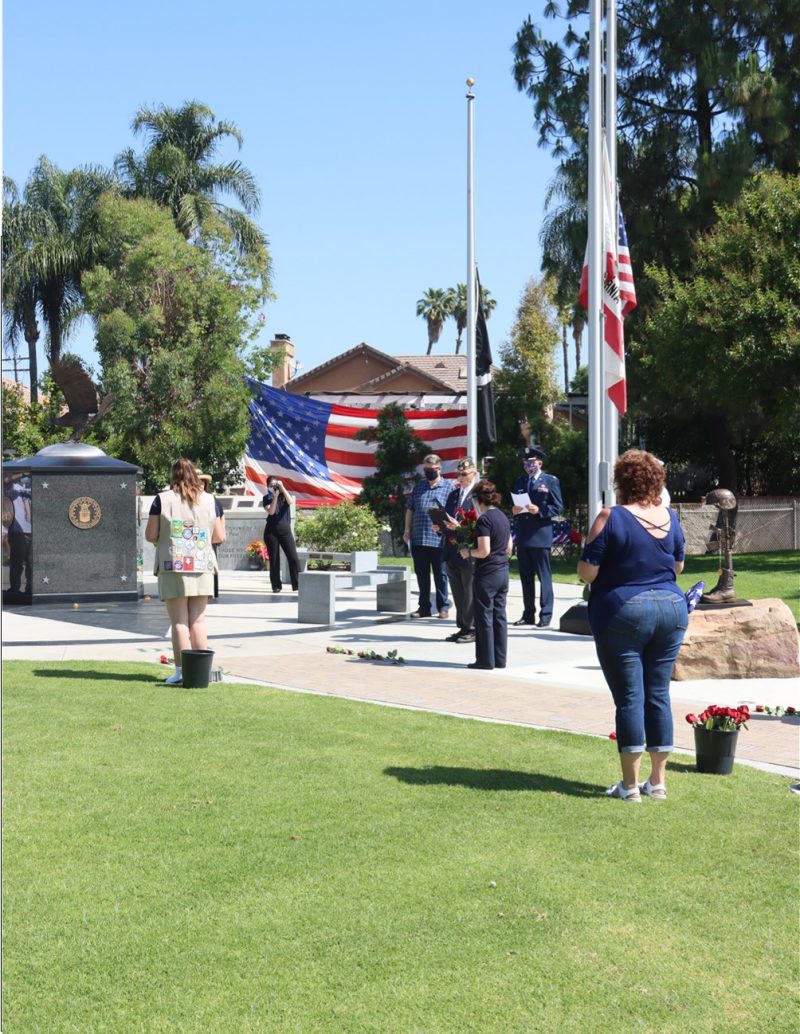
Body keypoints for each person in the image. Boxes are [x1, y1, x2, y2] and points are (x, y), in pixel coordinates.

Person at [577, 449, 689, 803]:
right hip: (672, 608)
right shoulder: (669, 516)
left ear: (621, 481)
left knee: (630, 698)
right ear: (657, 481)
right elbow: (678, 566)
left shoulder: (610, 516)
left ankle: (629, 786)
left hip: (624, 609)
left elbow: (586, 572)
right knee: (658, 694)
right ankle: (657, 782)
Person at [146, 459, 225, 685]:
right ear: (195, 475)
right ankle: (203, 671)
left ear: (173, 476)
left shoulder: (162, 499)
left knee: (179, 621)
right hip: (202, 564)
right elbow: (219, 537)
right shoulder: (211, 500)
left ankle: (181, 671)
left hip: (174, 565)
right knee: (198, 620)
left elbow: (151, 535)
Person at [458, 480, 512, 670]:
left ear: (477, 500)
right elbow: (509, 547)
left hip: (487, 573)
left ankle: (485, 660)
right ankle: (499, 659)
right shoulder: (503, 517)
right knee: (499, 616)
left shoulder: (484, 520)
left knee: (484, 617)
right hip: (503, 571)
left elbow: (484, 551)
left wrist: (468, 552)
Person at [511, 445, 563, 627]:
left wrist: (540, 510)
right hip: (524, 533)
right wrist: (515, 510)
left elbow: (558, 507)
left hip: (540, 535)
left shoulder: (549, 481)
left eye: (532, 462)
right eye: (526, 463)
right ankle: (528, 614)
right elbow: (515, 504)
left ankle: (546, 614)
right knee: (526, 577)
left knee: (544, 577)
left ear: (540, 463)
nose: (528, 466)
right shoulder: (520, 481)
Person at [433, 456, 478, 642]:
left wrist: (458, 527)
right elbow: (449, 519)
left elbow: (480, 525)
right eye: (458, 474)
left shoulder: (478, 495)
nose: (460, 477)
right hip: (451, 550)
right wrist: (440, 527)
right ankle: (463, 627)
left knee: (469, 592)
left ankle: (473, 628)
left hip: (469, 550)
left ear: (473, 473)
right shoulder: (453, 494)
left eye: (464, 474)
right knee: (458, 592)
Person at [403, 453, 452, 619]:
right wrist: (407, 530)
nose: (428, 472)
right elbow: (410, 508)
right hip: (418, 538)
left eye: (431, 469)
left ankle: (443, 607)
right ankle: (424, 607)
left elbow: (453, 513)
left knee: (441, 575)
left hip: (439, 540)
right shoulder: (419, 486)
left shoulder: (448, 487)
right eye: (426, 469)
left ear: (439, 468)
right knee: (422, 576)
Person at [262, 476, 300, 593]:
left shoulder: (284, 495)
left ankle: (298, 585)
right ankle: (276, 585)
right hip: (271, 531)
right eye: (272, 486)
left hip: (285, 530)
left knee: (293, 557)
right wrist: (275, 497)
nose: (274, 487)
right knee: (274, 559)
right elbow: (271, 511)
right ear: (268, 487)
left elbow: (291, 502)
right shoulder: (266, 498)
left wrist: (282, 487)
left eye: (276, 485)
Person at [197, 472, 225, 600]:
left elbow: (220, 516)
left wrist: (220, 534)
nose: (200, 485)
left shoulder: (211, 499)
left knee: (210, 566)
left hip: (208, 538)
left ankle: (211, 591)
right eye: (198, 482)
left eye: (203, 482)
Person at [4, 473, 32, 596]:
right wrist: (23, 473)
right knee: (17, 562)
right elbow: (6, 480)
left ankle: (31, 589)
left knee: (32, 563)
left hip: (34, 530)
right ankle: (15, 590)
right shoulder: (14, 487)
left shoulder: (36, 485)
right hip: (18, 530)